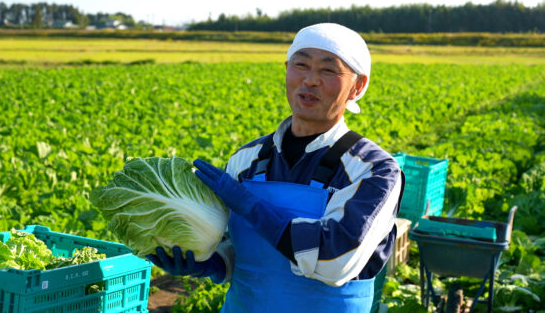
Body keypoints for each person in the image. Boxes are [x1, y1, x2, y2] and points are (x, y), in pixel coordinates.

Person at [147, 23, 404, 313]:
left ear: (357, 86)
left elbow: (334, 260)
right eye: (301, 65)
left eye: (328, 70)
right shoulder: (248, 158)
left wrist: (252, 207)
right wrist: (212, 263)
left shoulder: (373, 170)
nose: (310, 80)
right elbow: (237, 244)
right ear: (287, 70)